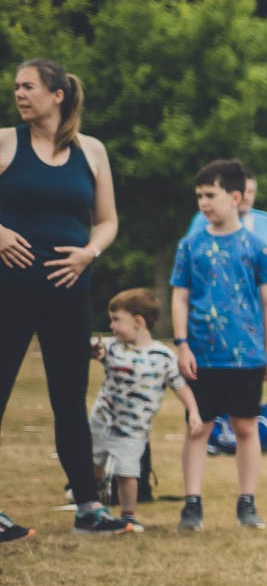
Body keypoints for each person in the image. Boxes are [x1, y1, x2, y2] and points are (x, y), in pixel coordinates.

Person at [0, 58, 125, 542]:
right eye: (15, 87)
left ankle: (89, 508)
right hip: (9, 292)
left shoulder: (91, 151)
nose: (19, 94)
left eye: (28, 86)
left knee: (69, 399)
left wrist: (89, 253)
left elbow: (108, 219)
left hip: (69, 293)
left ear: (57, 95)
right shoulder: (7, 141)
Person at [172, 159, 267, 532]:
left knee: (246, 427)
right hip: (202, 353)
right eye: (199, 196)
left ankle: (247, 502)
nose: (203, 203)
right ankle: (192, 503)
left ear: (235, 197)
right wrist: (182, 344)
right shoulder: (190, 246)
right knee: (197, 428)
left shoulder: (257, 247)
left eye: (210, 195)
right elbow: (180, 298)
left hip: (247, 354)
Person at [87, 287, 197, 528]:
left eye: (116, 320)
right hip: (101, 422)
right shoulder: (111, 346)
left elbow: (180, 386)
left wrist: (194, 412)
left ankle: (128, 515)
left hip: (133, 430)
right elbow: (88, 348)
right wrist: (91, 351)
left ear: (138, 321)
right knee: (92, 465)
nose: (112, 326)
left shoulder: (162, 356)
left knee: (128, 474)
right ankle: (91, 502)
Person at [182, 168, 267, 285]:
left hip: (259, 299)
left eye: (251, 192)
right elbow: (188, 257)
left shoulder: (265, 220)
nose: (246, 196)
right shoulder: (205, 219)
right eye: (243, 191)